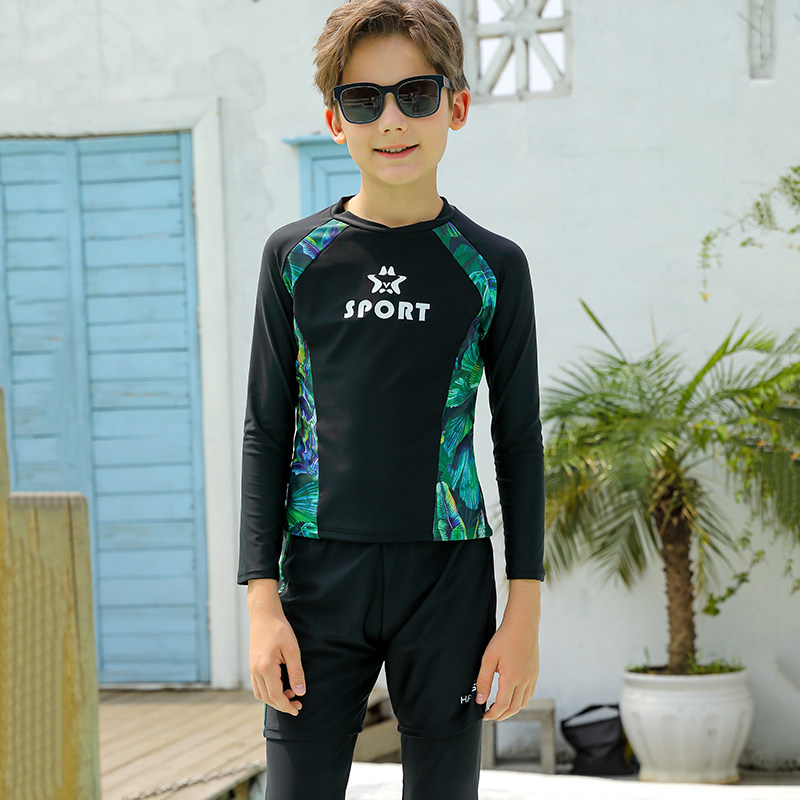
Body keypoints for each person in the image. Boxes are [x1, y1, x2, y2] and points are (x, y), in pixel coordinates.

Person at [237, 1, 545, 798]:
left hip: (448, 580)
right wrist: (261, 601)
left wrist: (523, 616)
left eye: (415, 93)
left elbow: (517, 441)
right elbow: (267, 429)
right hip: (316, 580)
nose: (392, 120)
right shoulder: (295, 258)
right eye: (364, 100)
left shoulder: (491, 266)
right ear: (335, 121)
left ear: (456, 106)